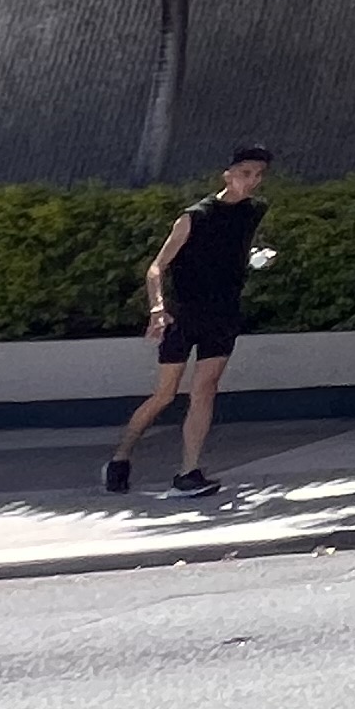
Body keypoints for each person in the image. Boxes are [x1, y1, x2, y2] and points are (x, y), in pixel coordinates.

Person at [107, 146, 272, 496]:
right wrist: (157, 308)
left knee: (205, 389)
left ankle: (188, 472)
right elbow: (156, 267)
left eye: (259, 175)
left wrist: (254, 258)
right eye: (246, 174)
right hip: (184, 313)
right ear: (227, 174)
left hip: (223, 312)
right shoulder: (194, 217)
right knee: (165, 394)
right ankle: (121, 457)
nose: (253, 182)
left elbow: (236, 249)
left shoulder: (255, 211)